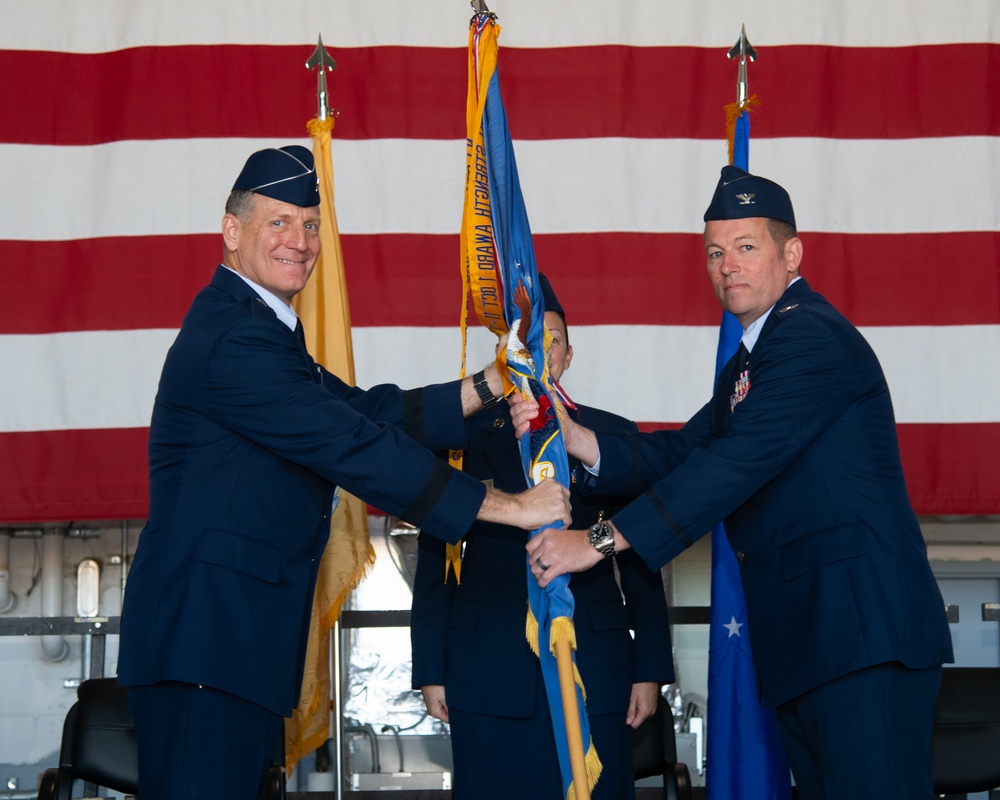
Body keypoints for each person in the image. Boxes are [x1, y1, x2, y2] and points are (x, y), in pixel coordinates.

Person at [116, 145, 570, 800]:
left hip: (226, 650)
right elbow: (355, 446)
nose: (298, 241)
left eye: (308, 224)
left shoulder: (264, 330)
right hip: (205, 647)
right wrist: (509, 507)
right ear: (231, 229)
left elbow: (369, 413)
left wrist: (491, 382)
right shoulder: (234, 339)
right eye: (278, 223)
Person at [518, 166, 954, 799]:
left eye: (747, 247)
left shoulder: (809, 338)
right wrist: (579, 437)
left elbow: (729, 467)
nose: (728, 266)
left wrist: (599, 541)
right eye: (716, 253)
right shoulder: (757, 354)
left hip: (862, 641)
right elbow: (692, 450)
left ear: (792, 252)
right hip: (816, 645)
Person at [410, 273, 675, 800]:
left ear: (569, 355)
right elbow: (437, 559)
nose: (540, 350)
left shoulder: (609, 436)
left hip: (593, 666)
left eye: (550, 339)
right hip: (487, 666)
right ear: (505, 351)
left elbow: (642, 548)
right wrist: (430, 667)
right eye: (527, 340)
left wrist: (649, 666)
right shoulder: (462, 439)